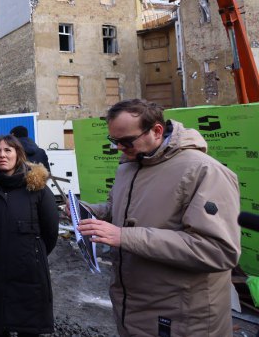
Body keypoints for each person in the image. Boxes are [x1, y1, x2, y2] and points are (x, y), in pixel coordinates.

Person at [78, 99, 240, 336]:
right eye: (114, 141)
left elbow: (217, 250)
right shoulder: (129, 166)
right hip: (133, 308)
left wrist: (124, 236)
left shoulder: (204, 171)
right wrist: (90, 211)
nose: (119, 148)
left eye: (126, 141)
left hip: (182, 318)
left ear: (156, 130)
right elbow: (119, 208)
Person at [0, 135, 58, 336]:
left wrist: (32, 254)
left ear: (18, 154)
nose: (2, 155)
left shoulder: (37, 188)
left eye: (8, 150)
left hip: (28, 274)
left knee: (28, 327)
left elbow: (50, 232)